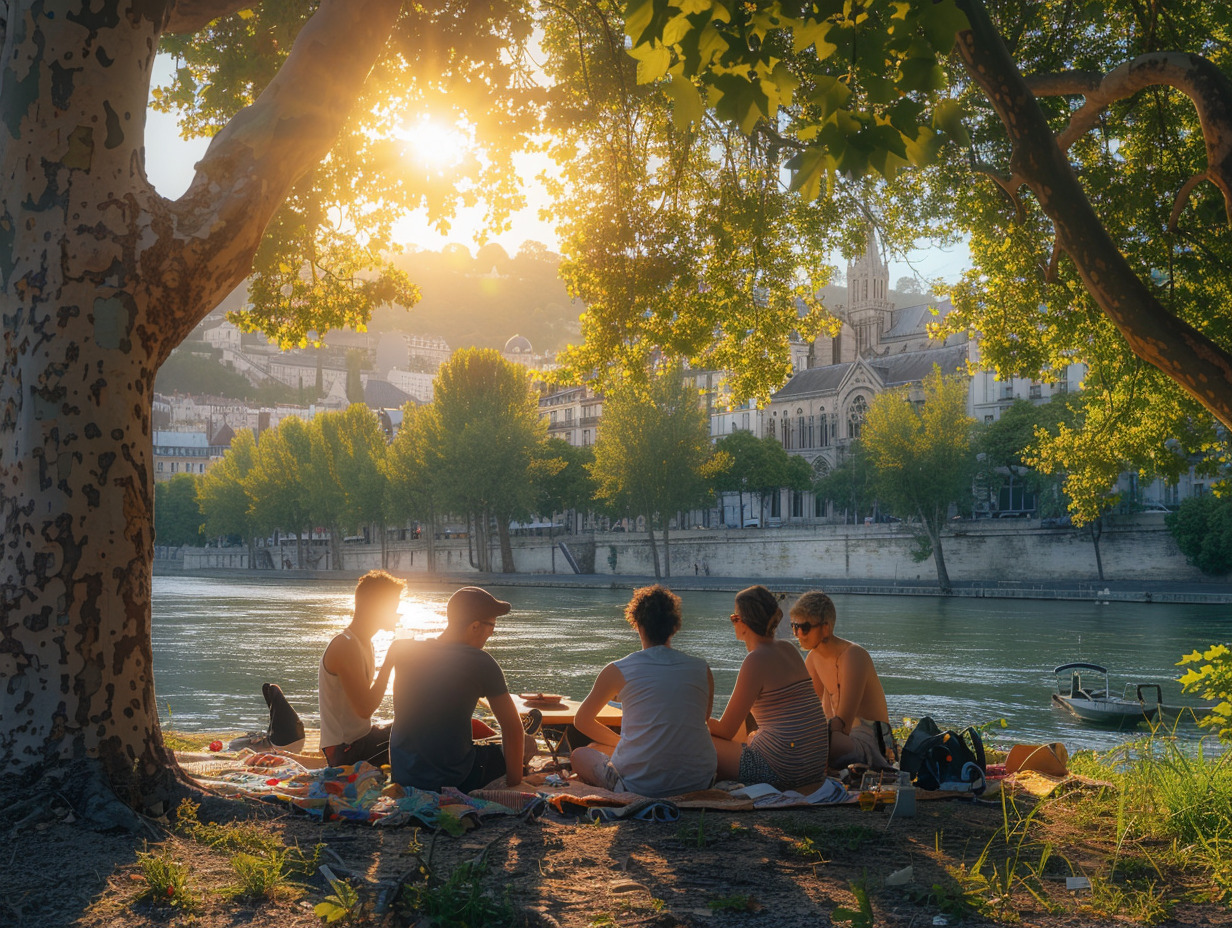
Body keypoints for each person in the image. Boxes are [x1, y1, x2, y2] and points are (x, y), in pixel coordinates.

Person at [570, 585, 717, 798]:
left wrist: (620, 743)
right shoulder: (701, 668)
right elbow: (702, 718)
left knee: (582, 754)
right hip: (700, 780)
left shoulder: (619, 669)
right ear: (675, 627)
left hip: (641, 786)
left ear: (637, 624)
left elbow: (582, 721)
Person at [387, 586, 536, 791]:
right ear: (474, 627)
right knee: (526, 743)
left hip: (404, 775)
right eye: (491, 626)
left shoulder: (406, 651)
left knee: (476, 734)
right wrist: (515, 784)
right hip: (454, 779)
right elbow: (512, 728)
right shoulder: (481, 662)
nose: (491, 633)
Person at [708, 585, 829, 789]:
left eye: (733, 617)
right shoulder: (788, 649)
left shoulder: (756, 660)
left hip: (782, 770)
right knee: (746, 724)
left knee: (696, 740)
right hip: (813, 768)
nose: (733, 623)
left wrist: (692, 719)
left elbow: (725, 730)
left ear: (743, 622)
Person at [790, 590, 896, 770]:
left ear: (825, 627)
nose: (798, 633)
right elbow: (807, 709)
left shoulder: (853, 656)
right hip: (838, 737)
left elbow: (844, 723)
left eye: (804, 627)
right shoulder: (813, 659)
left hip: (871, 743)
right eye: (794, 626)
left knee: (816, 745)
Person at [318, 569, 406, 767]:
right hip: (346, 752)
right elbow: (364, 709)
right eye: (394, 608)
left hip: (361, 740)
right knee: (418, 731)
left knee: (416, 723)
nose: (398, 615)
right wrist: (391, 659)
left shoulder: (365, 643)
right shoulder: (346, 645)